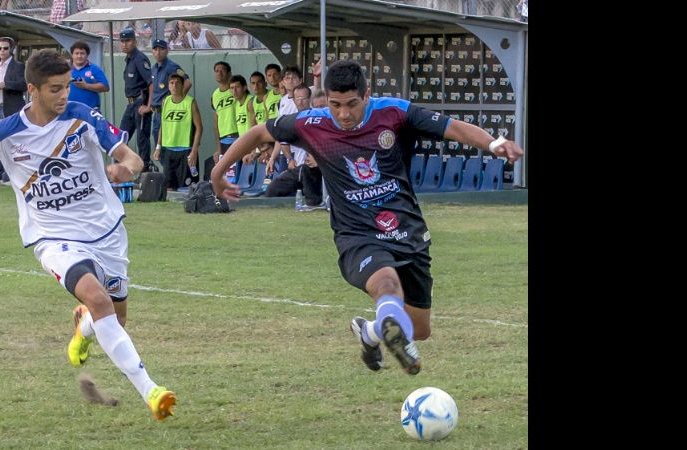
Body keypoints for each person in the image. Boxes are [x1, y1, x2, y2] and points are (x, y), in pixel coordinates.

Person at [210, 60, 523, 375]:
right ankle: (385, 321)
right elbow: (258, 132)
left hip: (407, 232)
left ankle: (371, 331)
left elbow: (452, 127)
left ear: (367, 95)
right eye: (335, 105)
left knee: (420, 329)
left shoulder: (394, 114)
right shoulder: (311, 123)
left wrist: (494, 143)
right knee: (386, 284)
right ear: (326, 99)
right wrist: (218, 171)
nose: (343, 114)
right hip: (357, 235)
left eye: (351, 104)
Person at [0, 49, 176, 421]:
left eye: (67, 88)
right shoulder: (6, 130)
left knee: (116, 317)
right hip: (51, 236)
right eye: (55, 89)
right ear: (32, 89)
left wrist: (125, 168)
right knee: (98, 298)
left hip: (107, 231)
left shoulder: (82, 116)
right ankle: (151, 391)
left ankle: (84, 327)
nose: (64, 96)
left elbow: (133, 158)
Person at [263, 84, 323, 206]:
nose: (301, 101)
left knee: (308, 175)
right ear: (294, 100)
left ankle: (314, 205)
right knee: (271, 190)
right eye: (298, 98)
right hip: (298, 167)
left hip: (318, 169)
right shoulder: (292, 121)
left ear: (309, 99)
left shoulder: (323, 119)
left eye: (304, 98)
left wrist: (318, 158)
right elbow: (282, 140)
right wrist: (289, 158)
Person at [140, 38, 191, 165]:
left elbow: (187, 83)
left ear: (167, 50)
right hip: (156, 113)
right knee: (159, 145)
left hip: (168, 113)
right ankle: (167, 175)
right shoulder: (154, 69)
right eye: (155, 49)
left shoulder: (172, 67)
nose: (158, 52)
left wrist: (176, 101)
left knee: (169, 145)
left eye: (161, 49)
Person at [155, 73, 202, 190]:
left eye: (177, 83)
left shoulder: (190, 102)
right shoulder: (165, 102)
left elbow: (199, 127)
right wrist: (158, 147)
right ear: (168, 86)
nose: (174, 86)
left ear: (182, 86)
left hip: (186, 150)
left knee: (186, 188)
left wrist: (194, 151)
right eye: (171, 83)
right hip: (168, 150)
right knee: (169, 187)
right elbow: (163, 125)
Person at [118, 27, 154, 172]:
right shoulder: (129, 59)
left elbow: (151, 83)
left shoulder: (139, 58)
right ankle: (122, 169)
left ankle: (144, 172)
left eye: (128, 40)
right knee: (121, 137)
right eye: (122, 41)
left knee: (142, 139)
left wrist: (149, 106)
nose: (124, 44)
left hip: (141, 102)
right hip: (131, 104)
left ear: (135, 41)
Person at [68, 40, 109, 111]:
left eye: (82, 53)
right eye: (76, 53)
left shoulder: (94, 69)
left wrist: (86, 86)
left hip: (91, 111)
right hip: (70, 111)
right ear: (72, 55)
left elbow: (105, 87)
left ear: (87, 55)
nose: (79, 56)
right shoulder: (65, 70)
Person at [0, 37, 27, 119]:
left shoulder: (17, 66)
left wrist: (6, 84)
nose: (2, 50)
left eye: (5, 48)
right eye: (0, 48)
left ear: (11, 50)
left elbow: (23, 85)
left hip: (10, 109)